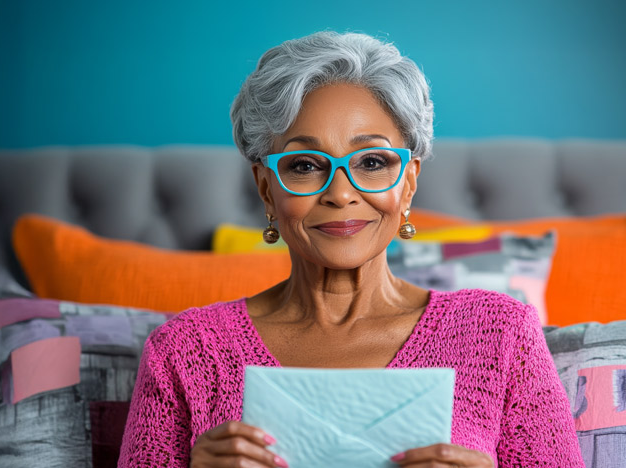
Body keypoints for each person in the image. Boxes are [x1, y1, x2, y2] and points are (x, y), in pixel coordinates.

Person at [118, 31, 583, 468]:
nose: (341, 192)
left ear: (408, 183)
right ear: (266, 189)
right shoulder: (183, 351)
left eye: (373, 162)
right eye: (304, 165)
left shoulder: (501, 333)